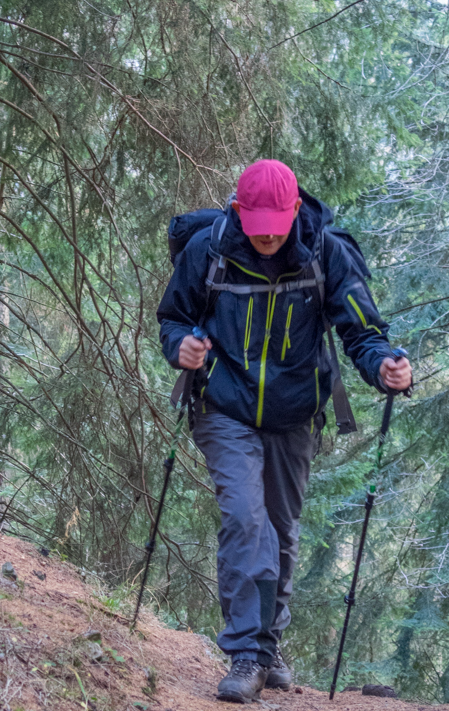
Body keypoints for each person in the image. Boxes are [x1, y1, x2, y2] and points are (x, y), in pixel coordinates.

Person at [157, 160, 412, 704]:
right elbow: (173, 317)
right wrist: (180, 346)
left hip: (295, 413)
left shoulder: (326, 253)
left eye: (278, 221)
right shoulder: (210, 250)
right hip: (224, 406)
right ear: (238, 211)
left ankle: (269, 646)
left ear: (295, 210)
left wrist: (385, 366)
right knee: (246, 520)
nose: (269, 233)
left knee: (281, 527)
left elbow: (361, 330)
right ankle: (247, 653)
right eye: (258, 222)